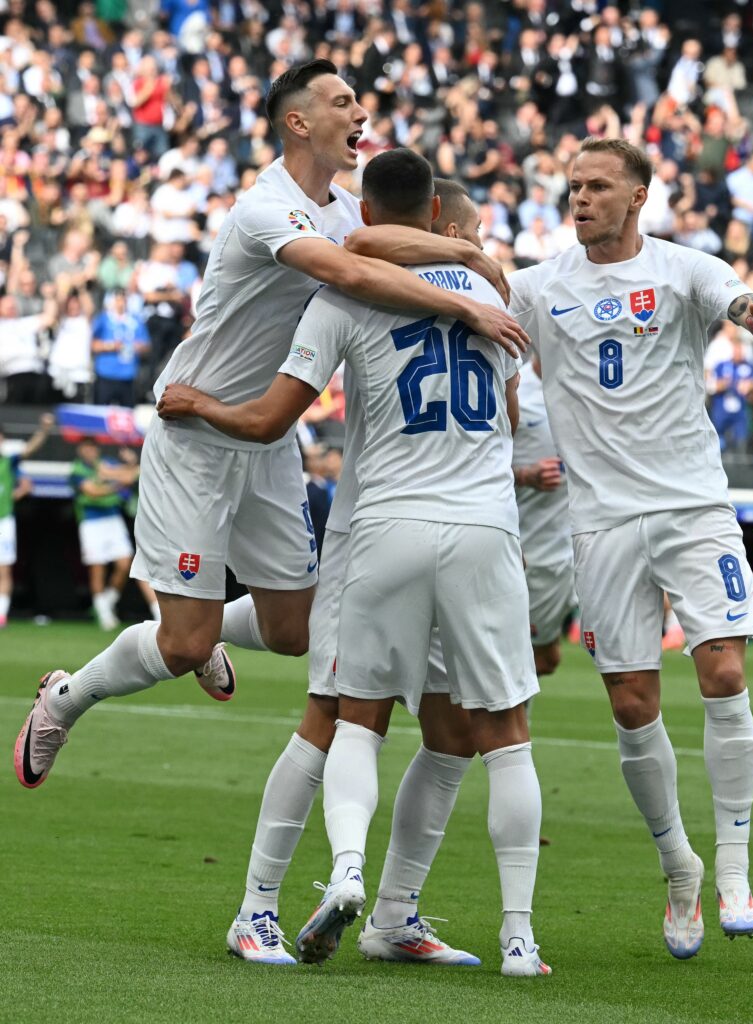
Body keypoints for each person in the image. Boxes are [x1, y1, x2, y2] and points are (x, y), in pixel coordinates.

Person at [14, 60, 525, 971]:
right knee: (178, 646)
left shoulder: (341, 207)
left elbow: (378, 246)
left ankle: (208, 627)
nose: (357, 107)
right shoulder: (264, 208)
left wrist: (467, 255)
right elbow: (344, 267)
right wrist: (466, 290)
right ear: (296, 123)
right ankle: (69, 695)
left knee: (292, 633)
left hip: (269, 441)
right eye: (339, 99)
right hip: (198, 424)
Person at [158, 148, 549, 978]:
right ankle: (516, 936)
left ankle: (342, 892)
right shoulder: (492, 291)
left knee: (344, 717)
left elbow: (269, 420)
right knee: (488, 735)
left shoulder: (343, 291)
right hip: (484, 530)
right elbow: (509, 417)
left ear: (364, 218)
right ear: (444, 227)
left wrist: (195, 401)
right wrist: (472, 264)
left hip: (381, 531)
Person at [508, 137, 753, 960]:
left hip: (692, 506)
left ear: (637, 195)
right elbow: (474, 296)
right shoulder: (539, 286)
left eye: (597, 186)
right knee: (632, 705)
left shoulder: (682, 270)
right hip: (599, 524)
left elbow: (739, 299)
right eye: (573, 186)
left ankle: (734, 868)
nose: (580, 198)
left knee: (723, 670)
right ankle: (679, 866)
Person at [511, 354, 574, 677]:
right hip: (521, 548)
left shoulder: (586, 386)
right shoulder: (516, 389)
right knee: (517, 660)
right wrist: (525, 475)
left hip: (564, 551)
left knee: (543, 659)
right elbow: (471, 462)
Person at [70, 439, 160, 630]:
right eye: (86, 448)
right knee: (97, 568)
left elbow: (132, 475)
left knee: (125, 564)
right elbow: (93, 491)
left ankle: (106, 602)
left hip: (112, 519)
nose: (90, 451)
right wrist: (116, 483)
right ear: (80, 450)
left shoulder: (107, 464)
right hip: (90, 522)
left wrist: (128, 464)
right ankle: (103, 614)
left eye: (92, 448)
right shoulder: (77, 471)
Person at [0, 413, 52, 627]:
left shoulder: (8, 461)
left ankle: (1, 615)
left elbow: (30, 448)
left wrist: (45, 429)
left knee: (3, 569)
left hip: (3, 522)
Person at [91, 288, 151, 407]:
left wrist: (137, 347)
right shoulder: (104, 319)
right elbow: (93, 345)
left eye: (123, 299)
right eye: (118, 299)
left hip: (127, 375)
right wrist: (111, 346)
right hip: (106, 374)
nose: (121, 303)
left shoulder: (135, 321)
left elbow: (147, 346)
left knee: (126, 415)